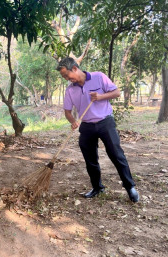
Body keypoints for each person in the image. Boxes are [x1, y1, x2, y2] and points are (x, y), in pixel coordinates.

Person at [56, 57, 139, 202]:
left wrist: (100, 97)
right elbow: (67, 112)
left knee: (116, 155)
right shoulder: (70, 90)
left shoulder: (98, 77)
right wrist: (73, 121)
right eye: (63, 77)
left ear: (74, 68)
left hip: (105, 122)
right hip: (86, 126)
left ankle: (130, 187)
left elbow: (116, 92)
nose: (66, 79)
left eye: (66, 75)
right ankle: (97, 187)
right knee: (90, 160)